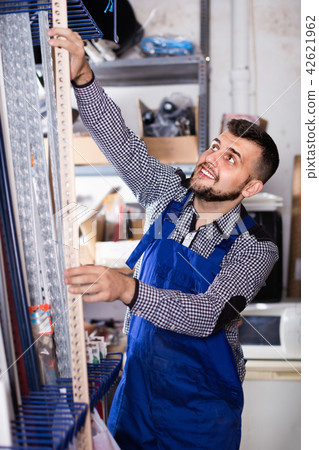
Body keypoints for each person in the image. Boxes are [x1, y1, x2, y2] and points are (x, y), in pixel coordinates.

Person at [48, 28, 280, 449]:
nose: (211, 158)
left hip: (200, 419)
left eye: (231, 158)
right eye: (214, 146)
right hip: (135, 401)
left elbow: (207, 314)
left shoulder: (255, 247)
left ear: (250, 187)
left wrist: (127, 288)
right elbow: (122, 144)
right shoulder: (167, 195)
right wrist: (84, 78)